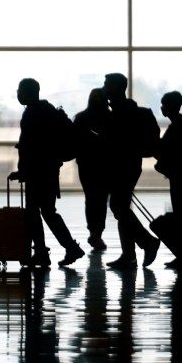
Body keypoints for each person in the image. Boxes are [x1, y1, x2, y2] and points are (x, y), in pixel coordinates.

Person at [9, 78, 85, 268]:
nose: (18, 94)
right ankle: (57, 249)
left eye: (20, 91)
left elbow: (30, 147)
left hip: (38, 171)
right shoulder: (47, 111)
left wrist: (23, 171)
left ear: (28, 92)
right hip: (48, 169)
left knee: (37, 212)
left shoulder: (32, 113)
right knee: (46, 211)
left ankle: (47, 251)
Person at [102, 72, 161, 269]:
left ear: (116, 88)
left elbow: (113, 141)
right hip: (129, 164)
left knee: (118, 207)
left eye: (107, 85)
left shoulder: (119, 113)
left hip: (122, 165)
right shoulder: (130, 111)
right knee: (121, 208)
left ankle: (146, 242)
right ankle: (129, 254)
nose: (104, 88)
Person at [73, 88, 112, 250]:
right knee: (101, 200)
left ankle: (93, 232)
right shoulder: (111, 118)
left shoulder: (81, 118)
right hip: (104, 165)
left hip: (87, 164)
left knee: (91, 199)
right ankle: (97, 233)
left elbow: (74, 140)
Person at [154, 90, 182, 221]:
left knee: (179, 206)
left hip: (178, 174)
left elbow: (163, 149)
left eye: (163, 105)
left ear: (170, 106)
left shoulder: (176, 127)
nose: (162, 107)